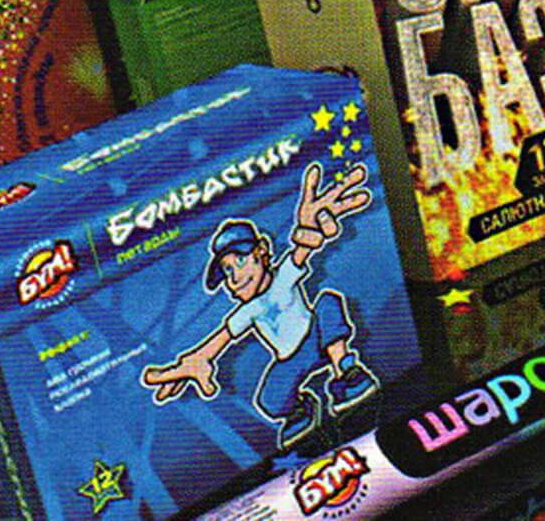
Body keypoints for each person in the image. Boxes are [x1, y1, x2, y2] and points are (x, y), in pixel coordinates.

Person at [140, 163, 380, 448]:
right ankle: (299, 410)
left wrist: (307, 230)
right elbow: (222, 338)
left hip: (317, 338)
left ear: (263, 251)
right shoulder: (248, 311)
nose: (235, 276)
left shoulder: (282, 278)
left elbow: (301, 251)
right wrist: (198, 358)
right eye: (227, 271)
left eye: (240, 261)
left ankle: (345, 371)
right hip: (291, 359)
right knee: (268, 399)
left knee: (328, 303)